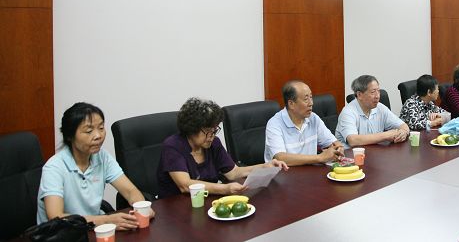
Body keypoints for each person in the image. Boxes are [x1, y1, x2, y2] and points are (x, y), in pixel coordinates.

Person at [37, 102, 154, 230]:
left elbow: (130, 191)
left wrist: (142, 208)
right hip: (63, 234)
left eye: (101, 128)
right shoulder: (54, 167)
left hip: (94, 229)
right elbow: (56, 217)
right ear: (69, 136)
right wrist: (106, 220)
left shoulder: (102, 157)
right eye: (89, 131)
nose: (98, 136)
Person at [157, 98, 288, 198]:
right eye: (208, 132)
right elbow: (185, 185)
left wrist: (265, 166)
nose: (211, 136)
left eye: (214, 131)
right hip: (177, 205)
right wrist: (224, 189)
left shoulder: (213, 143)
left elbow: (234, 172)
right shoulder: (173, 146)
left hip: (206, 201)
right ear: (191, 129)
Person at [264, 81, 344, 166]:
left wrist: (338, 148)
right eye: (306, 99)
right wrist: (320, 157)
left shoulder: (313, 118)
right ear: (291, 104)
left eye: (311, 97)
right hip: (284, 172)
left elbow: (334, 143)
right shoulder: (275, 124)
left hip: (310, 170)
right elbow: (280, 158)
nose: (311, 103)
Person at [335, 75, 409, 147]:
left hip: (374, 152)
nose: (377, 96)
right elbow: (353, 140)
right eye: (373, 92)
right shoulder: (348, 112)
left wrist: (403, 132)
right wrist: (386, 135)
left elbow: (403, 125)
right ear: (359, 95)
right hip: (350, 154)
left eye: (378, 91)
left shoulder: (380, 107)